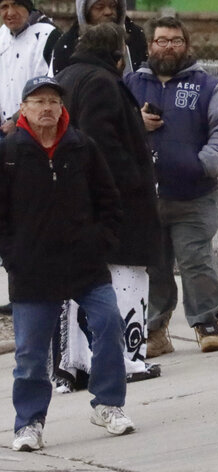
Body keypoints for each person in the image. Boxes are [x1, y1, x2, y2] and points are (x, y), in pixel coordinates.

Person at [3, 76, 135, 452]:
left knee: (109, 324)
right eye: (38, 100)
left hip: (86, 265)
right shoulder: (9, 152)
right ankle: (29, 423)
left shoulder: (83, 148)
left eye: (53, 101)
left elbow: (110, 201)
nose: (46, 107)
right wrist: (12, 257)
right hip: (32, 270)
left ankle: (108, 404)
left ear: (63, 108)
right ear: (24, 107)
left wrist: (101, 242)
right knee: (30, 353)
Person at [126, 17, 218, 353]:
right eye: (161, 40)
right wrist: (138, 124)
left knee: (195, 260)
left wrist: (202, 163)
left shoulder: (208, 86)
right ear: (150, 46)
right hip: (146, 198)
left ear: (186, 45)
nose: (168, 47)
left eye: (176, 40)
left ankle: (207, 323)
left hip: (194, 195)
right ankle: (155, 332)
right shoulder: (131, 85)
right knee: (154, 267)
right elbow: (111, 128)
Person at [53, 22, 162, 385]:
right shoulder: (101, 82)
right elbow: (102, 142)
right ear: (117, 55)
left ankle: (78, 363)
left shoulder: (68, 76)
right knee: (124, 280)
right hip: (115, 207)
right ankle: (126, 360)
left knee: (84, 286)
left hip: (78, 203)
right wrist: (131, 181)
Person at [0, 0, 61, 136]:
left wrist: (18, 119)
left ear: (28, 5)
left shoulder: (49, 36)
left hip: (35, 133)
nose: (10, 13)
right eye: (4, 6)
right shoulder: (2, 35)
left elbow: (52, 89)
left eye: (16, 4)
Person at [50, 0, 147, 76]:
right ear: (85, 12)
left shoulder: (135, 37)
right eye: (100, 7)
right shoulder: (67, 46)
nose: (108, 12)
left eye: (113, 6)